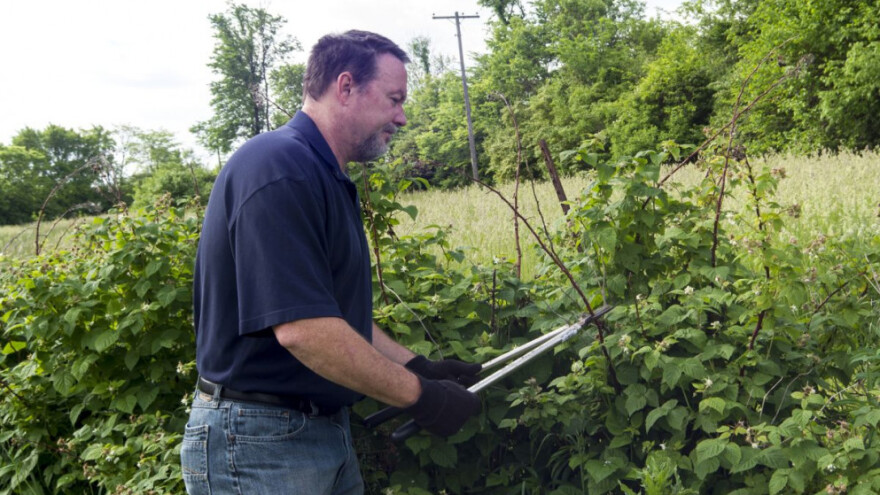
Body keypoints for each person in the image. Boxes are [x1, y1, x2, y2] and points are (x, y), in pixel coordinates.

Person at [180, 30, 482, 495]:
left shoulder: (321, 174)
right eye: (394, 99)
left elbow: (331, 316)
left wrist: (419, 366)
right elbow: (304, 330)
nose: (401, 118)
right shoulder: (278, 166)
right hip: (260, 443)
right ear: (345, 87)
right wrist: (421, 397)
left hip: (313, 433)